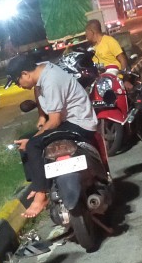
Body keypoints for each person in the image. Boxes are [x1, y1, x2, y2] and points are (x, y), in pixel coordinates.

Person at [6, 53, 99, 219]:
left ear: (25, 74)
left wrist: (35, 138)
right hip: (69, 121)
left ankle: (40, 194)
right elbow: (38, 92)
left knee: (32, 144)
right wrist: (42, 117)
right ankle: (38, 184)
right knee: (27, 141)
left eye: (17, 81)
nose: (19, 86)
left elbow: (55, 121)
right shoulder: (42, 72)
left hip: (79, 124)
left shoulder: (51, 80)